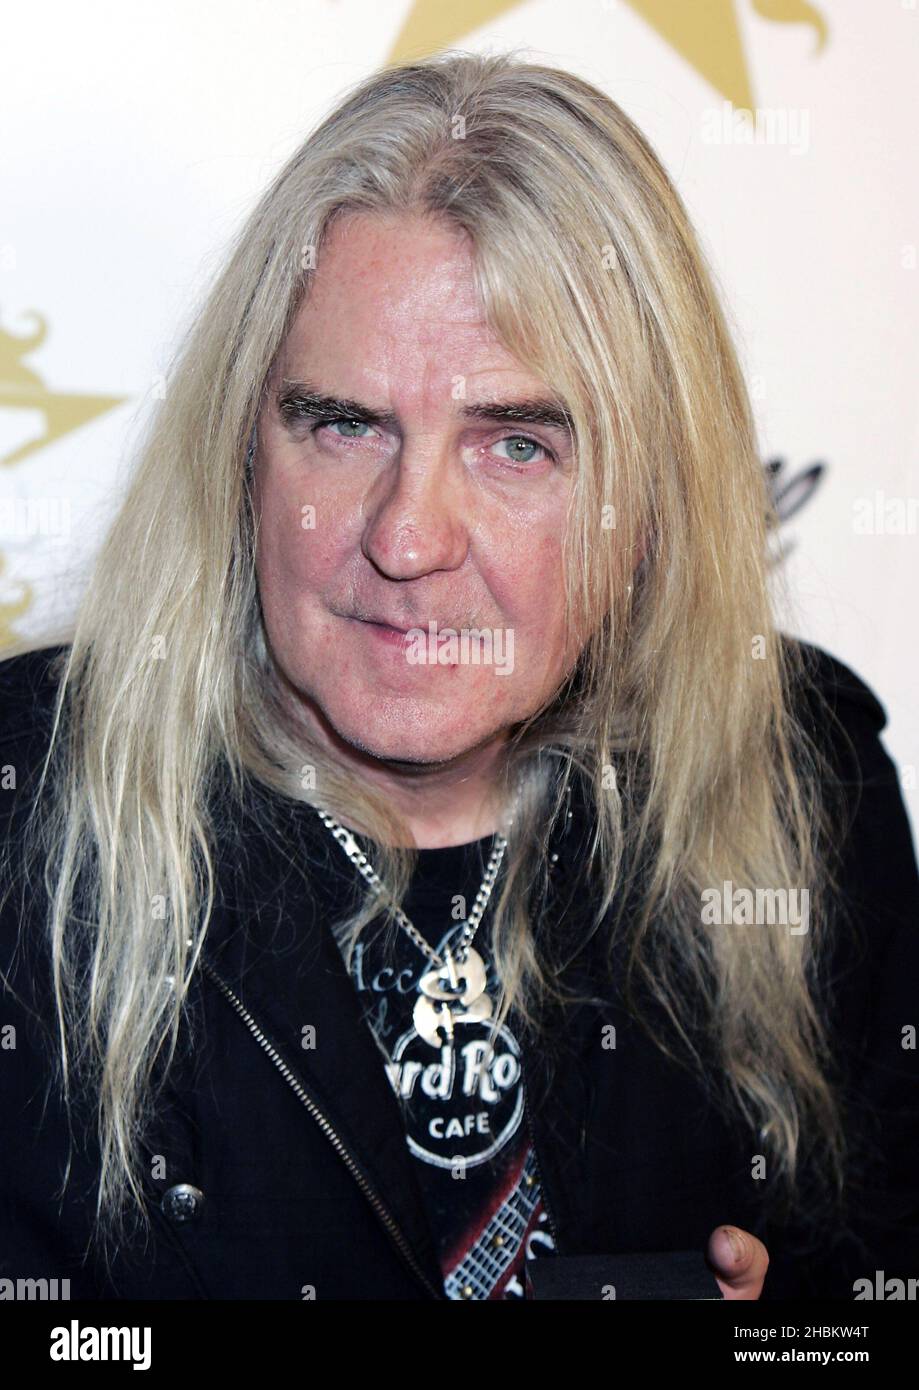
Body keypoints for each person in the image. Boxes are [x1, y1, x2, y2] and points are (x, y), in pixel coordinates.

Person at [1, 50, 917, 1303]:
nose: (407, 537)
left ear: (650, 501)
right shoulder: (27, 813)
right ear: (242, 451)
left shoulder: (806, 788)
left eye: (516, 445)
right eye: (344, 425)